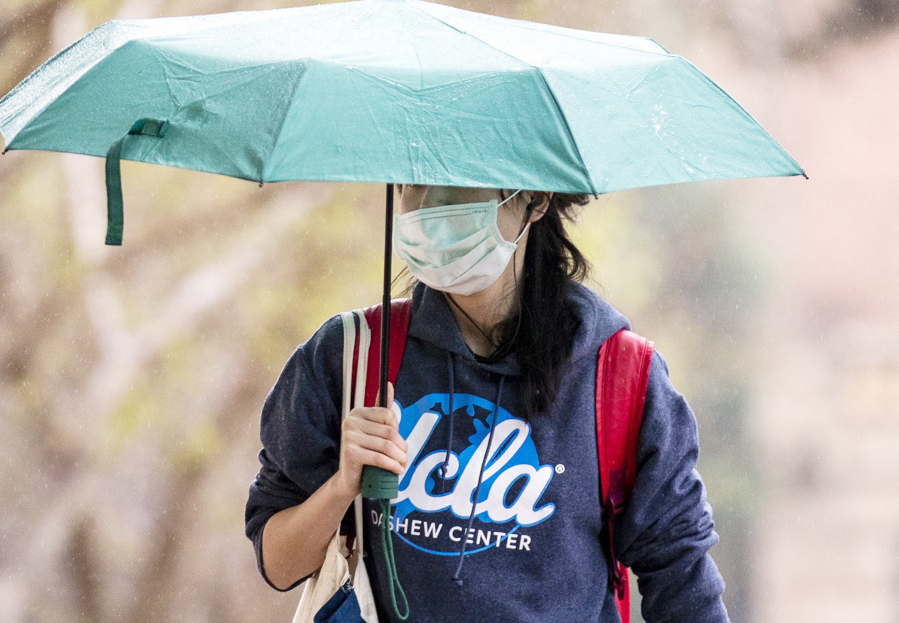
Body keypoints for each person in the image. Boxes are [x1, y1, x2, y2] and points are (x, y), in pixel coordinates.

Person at [245, 186, 730, 622]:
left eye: (460, 176)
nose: (430, 203)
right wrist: (341, 487)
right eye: (416, 180)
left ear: (535, 199)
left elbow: (682, 581)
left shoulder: (621, 377)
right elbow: (278, 563)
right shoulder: (351, 356)